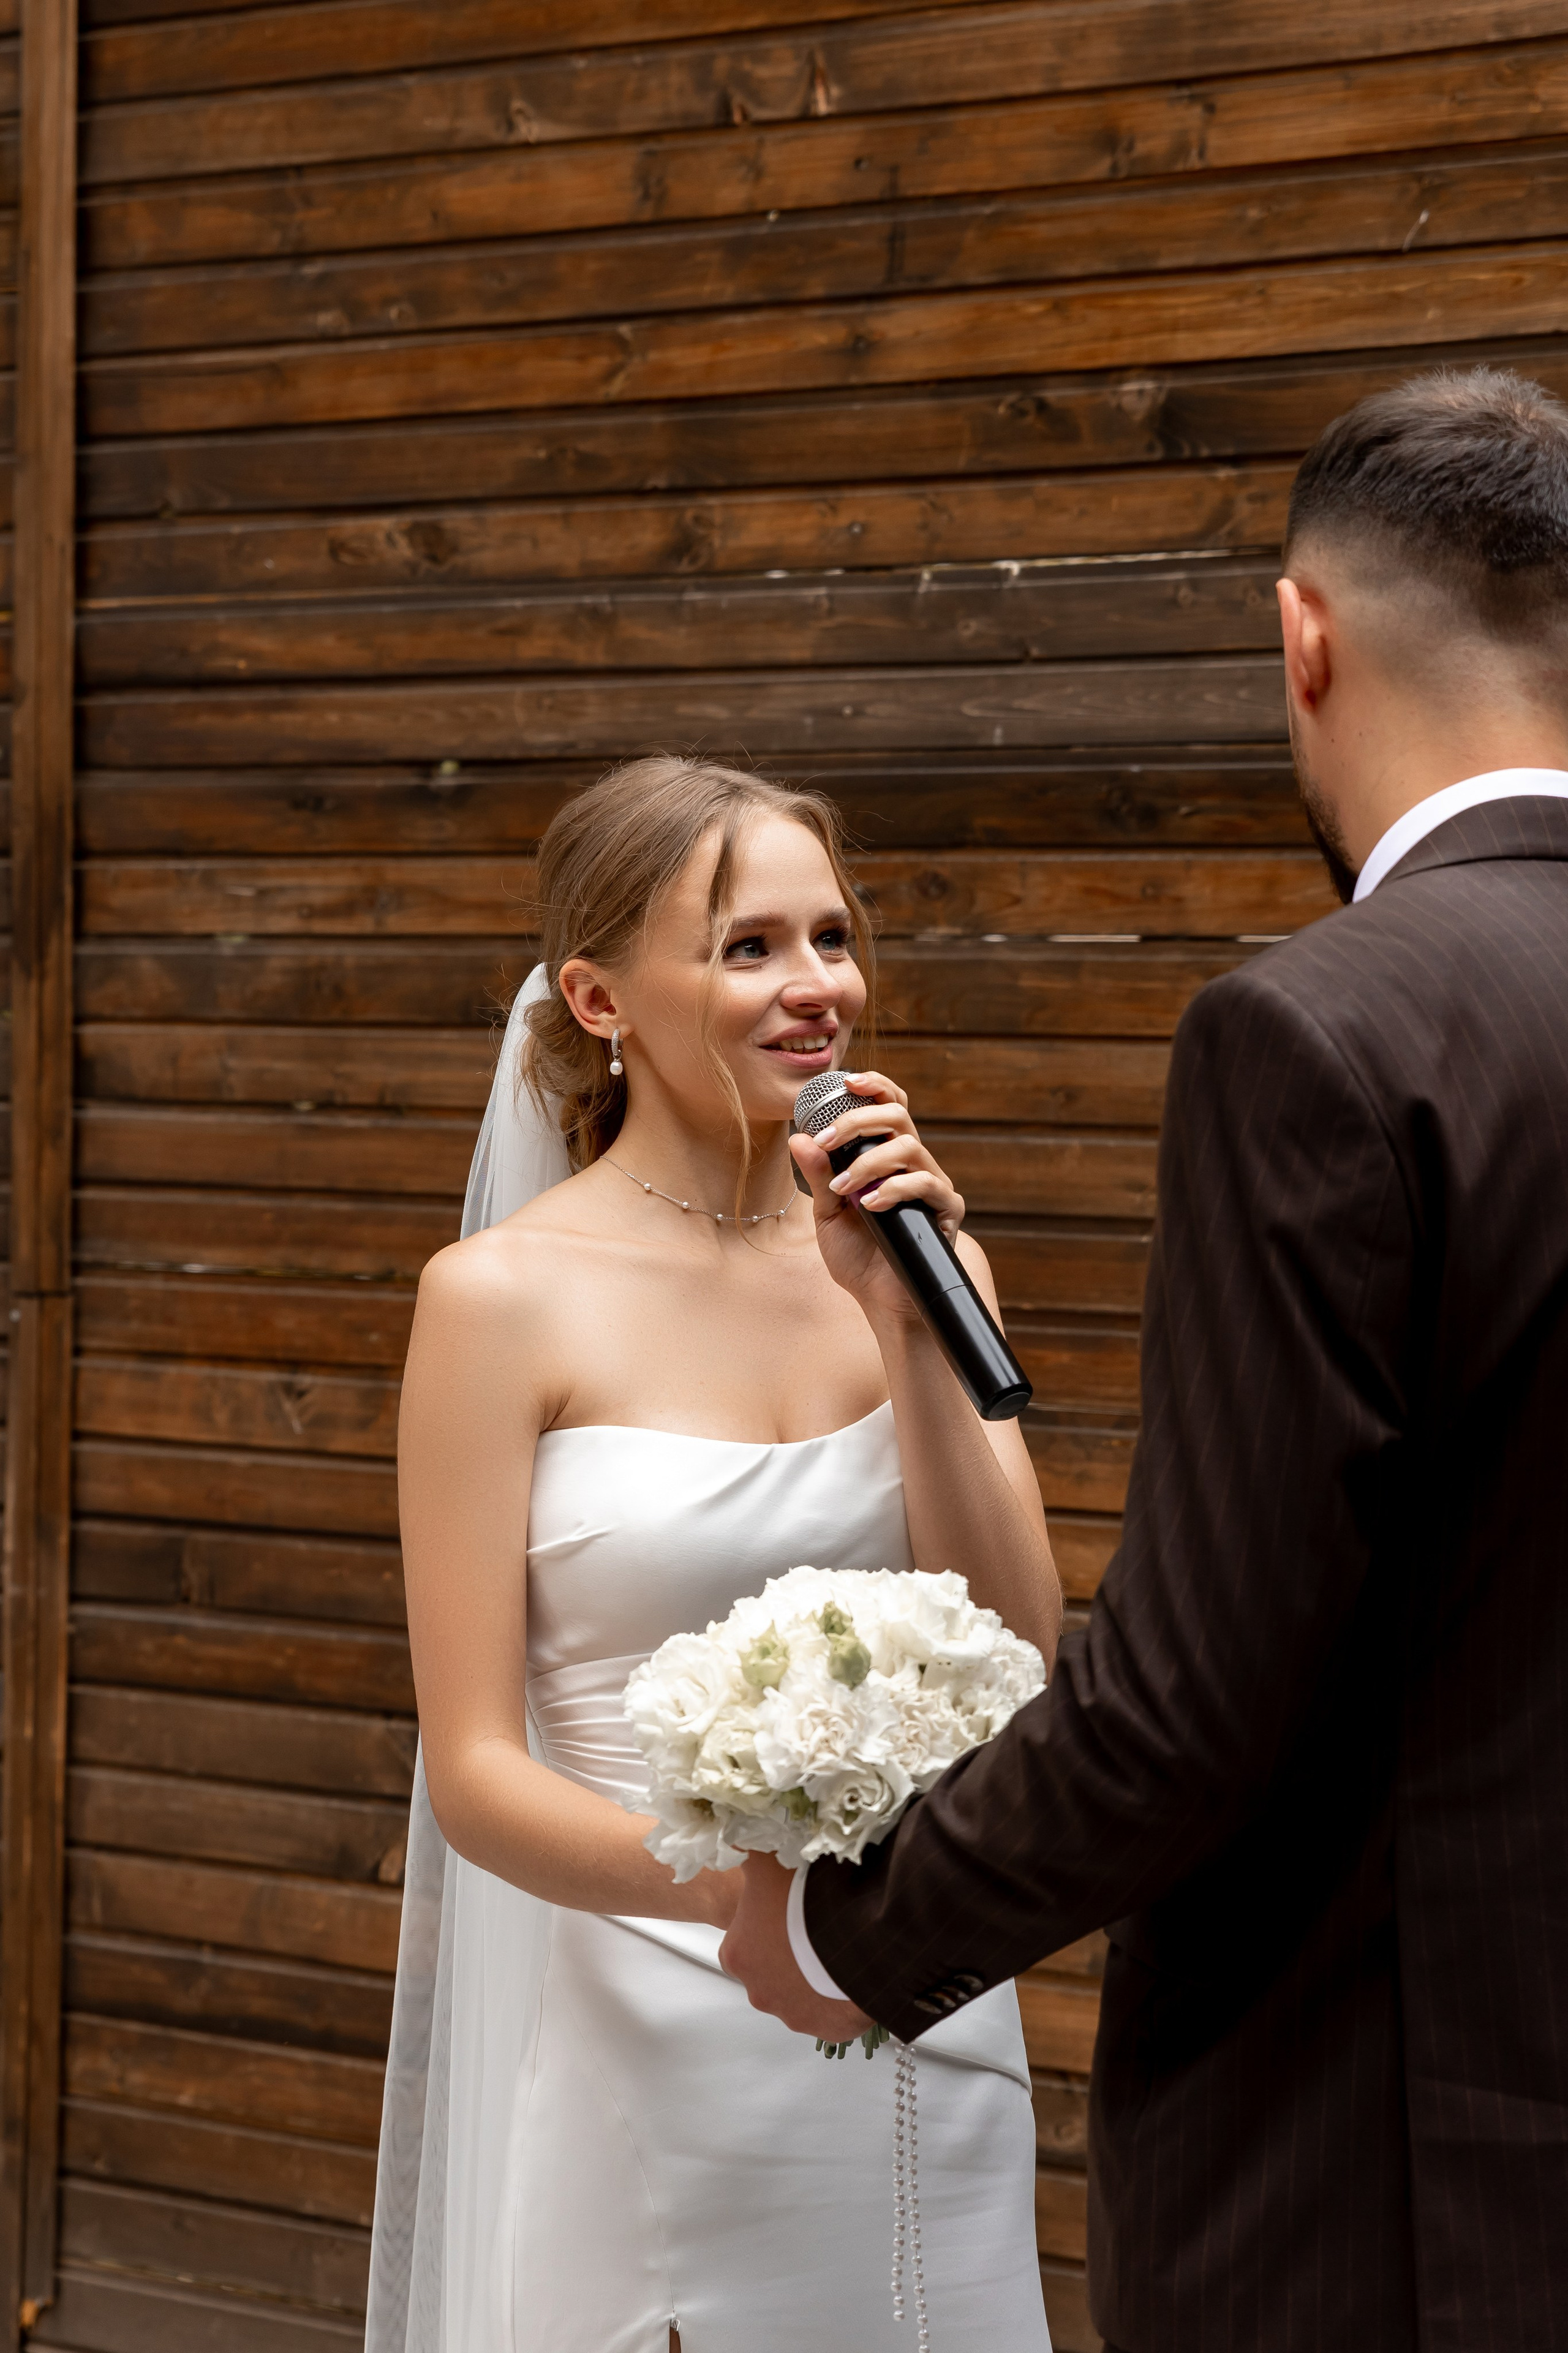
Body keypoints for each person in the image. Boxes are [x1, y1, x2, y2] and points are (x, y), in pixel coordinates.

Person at [721, 365, 1568, 2351]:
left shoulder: (1324, 1034)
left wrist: (854, 1925)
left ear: (1304, 636)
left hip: (1387, 2181)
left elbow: (1197, 1694)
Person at [365, 757, 1058, 2353]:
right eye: (750, 946)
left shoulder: (922, 1258)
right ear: (599, 998)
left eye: (834, 936)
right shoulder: (496, 1302)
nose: (819, 986)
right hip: (663, 2018)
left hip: (929, 2004)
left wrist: (908, 1314)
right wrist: (775, 1899)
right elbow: (475, 1772)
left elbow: (1019, 1650)